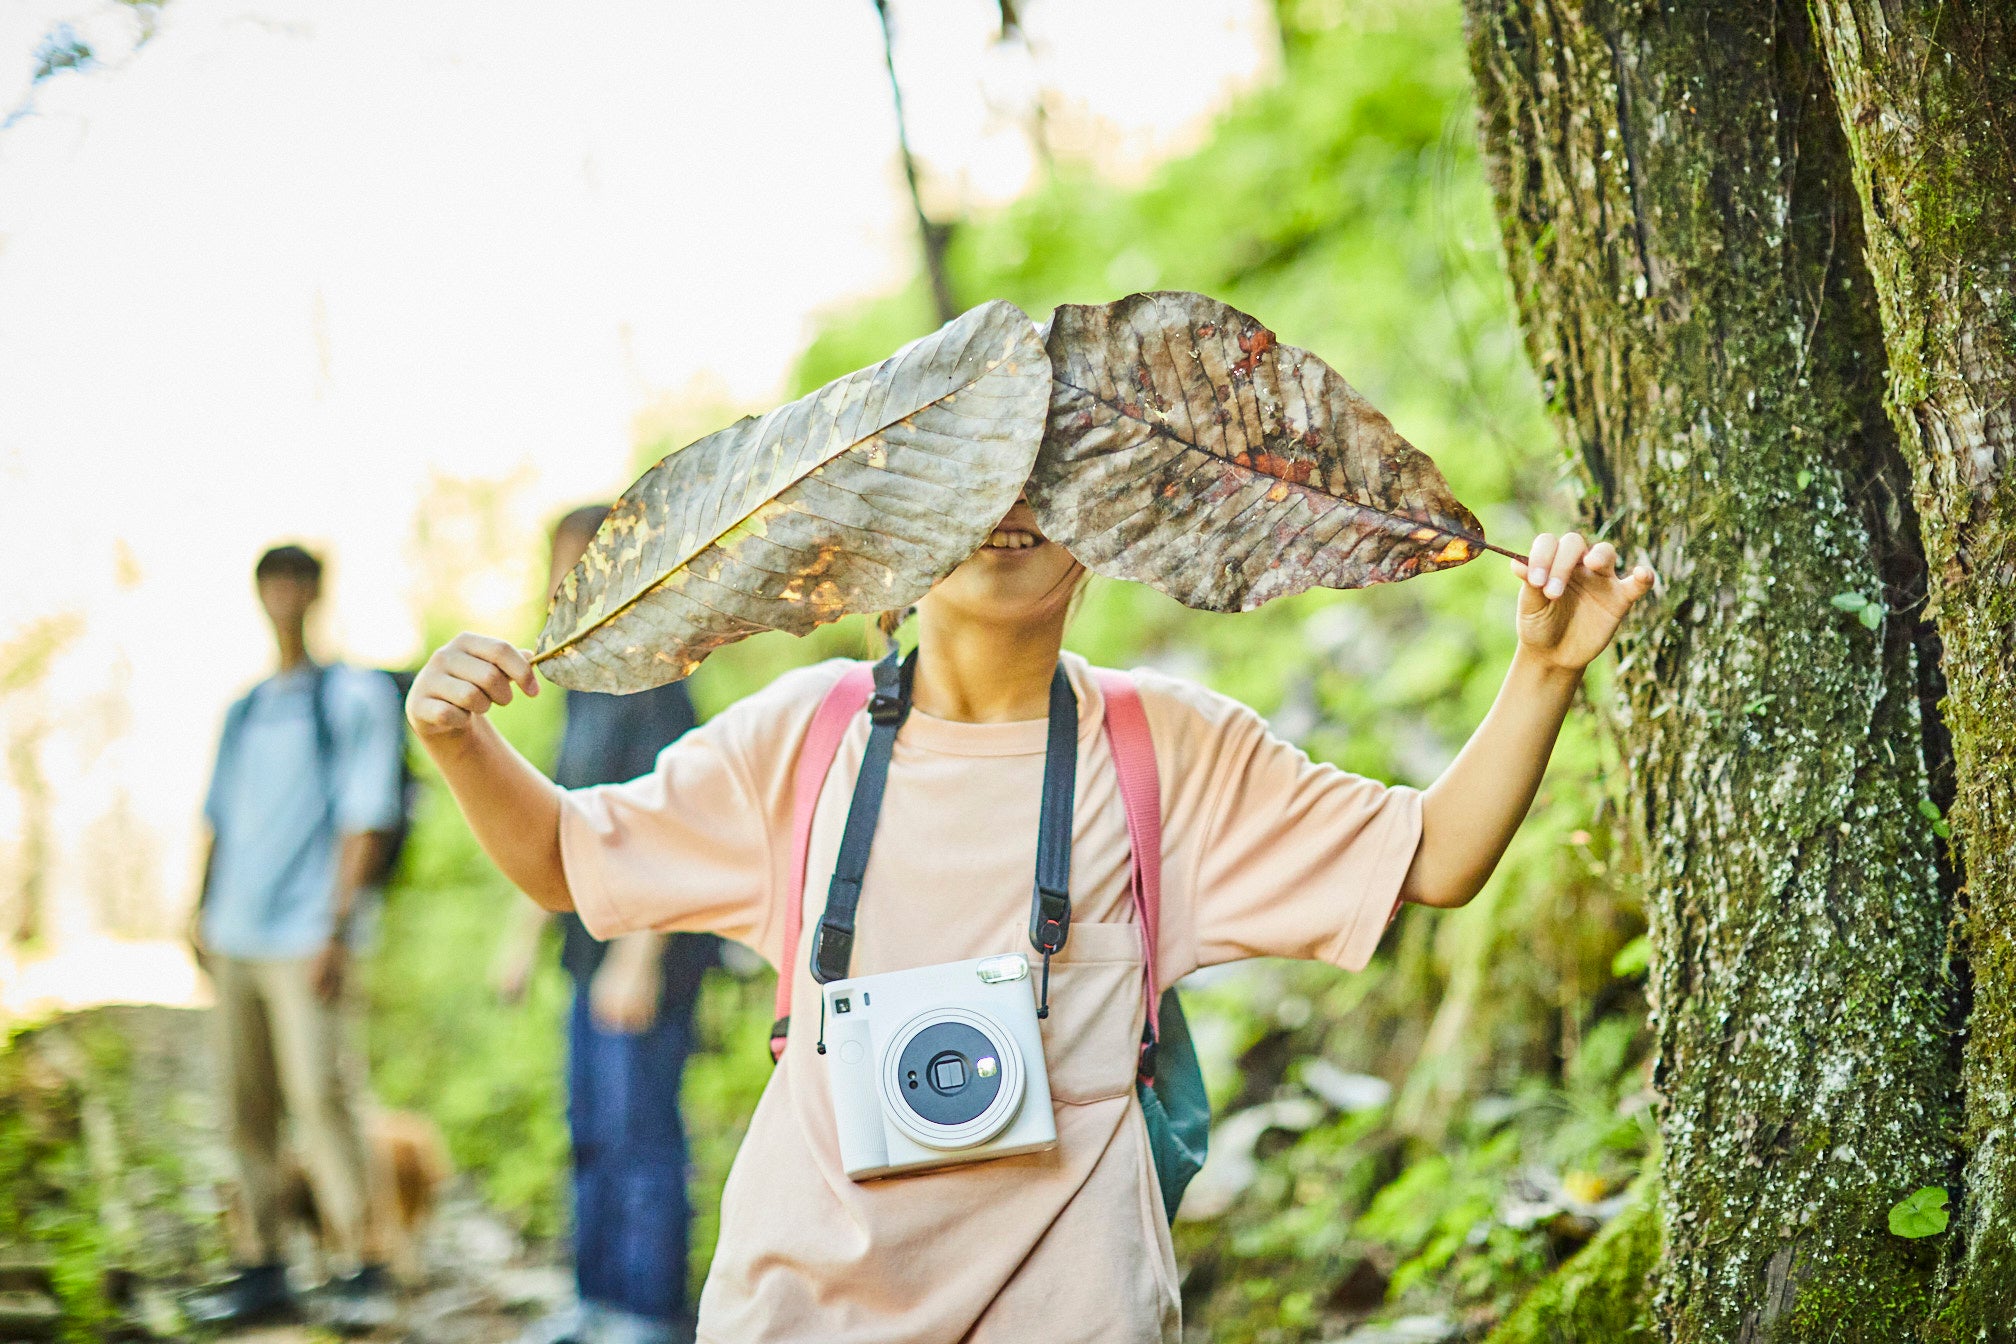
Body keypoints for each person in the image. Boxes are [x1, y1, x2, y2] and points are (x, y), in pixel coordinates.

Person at [406, 499, 1654, 1344]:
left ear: (1099, 531)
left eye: (1048, 477)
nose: (1009, 503)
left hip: (1078, 1306)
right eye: (972, 475)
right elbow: (569, 858)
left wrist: (1545, 666)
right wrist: (458, 738)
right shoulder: (806, 736)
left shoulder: (1167, 746)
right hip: (808, 1303)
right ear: (899, 536)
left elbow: (1429, 856)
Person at [493, 506, 717, 1344]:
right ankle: (593, 1301)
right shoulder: (584, 686)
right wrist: (522, 941)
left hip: (646, 952)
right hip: (586, 949)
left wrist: (639, 958)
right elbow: (557, 823)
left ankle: (648, 1311)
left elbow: (680, 822)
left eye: (577, 563)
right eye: (556, 566)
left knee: (641, 1134)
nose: (562, 584)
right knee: (590, 1129)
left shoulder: (659, 679)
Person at [186, 544, 405, 1331]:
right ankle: (262, 1262)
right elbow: (215, 820)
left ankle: (362, 1260)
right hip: (234, 933)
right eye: (270, 582)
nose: (282, 595)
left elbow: (367, 818)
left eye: (295, 581)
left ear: (315, 593)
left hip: (306, 934)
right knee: (245, 1105)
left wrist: (338, 928)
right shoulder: (245, 708)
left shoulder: (350, 697)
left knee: (321, 1095)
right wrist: (197, 912)